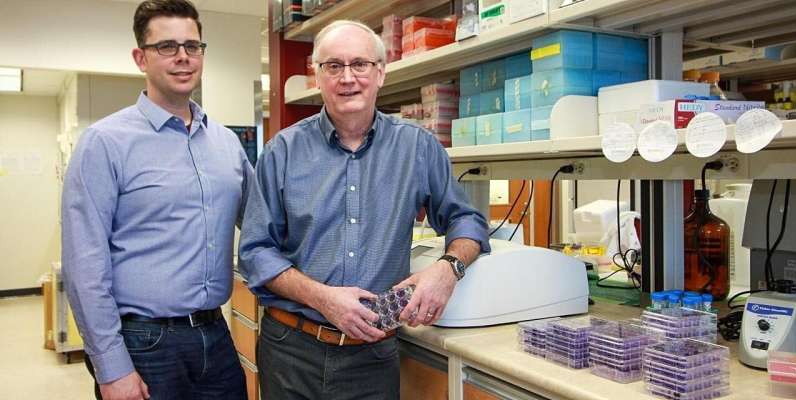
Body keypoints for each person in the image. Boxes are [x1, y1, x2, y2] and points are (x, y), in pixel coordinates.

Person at [239, 20, 490, 399]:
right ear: (318, 76)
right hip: (292, 349)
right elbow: (256, 252)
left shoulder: (417, 148)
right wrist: (322, 297)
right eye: (333, 66)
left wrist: (448, 269)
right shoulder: (282, 151)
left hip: (373, 356)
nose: (348, 78)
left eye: (360, 64)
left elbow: (466, 218)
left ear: (380, 73)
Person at [61, 1, 251, 399]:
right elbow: (85, 266)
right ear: (140, 58)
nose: (183, 57)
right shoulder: (105, 143)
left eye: (192, 46)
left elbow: (263, 224)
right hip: (143, 343)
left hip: (215, 336)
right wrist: (112, 369)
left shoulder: (226, 143)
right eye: (167, 46)